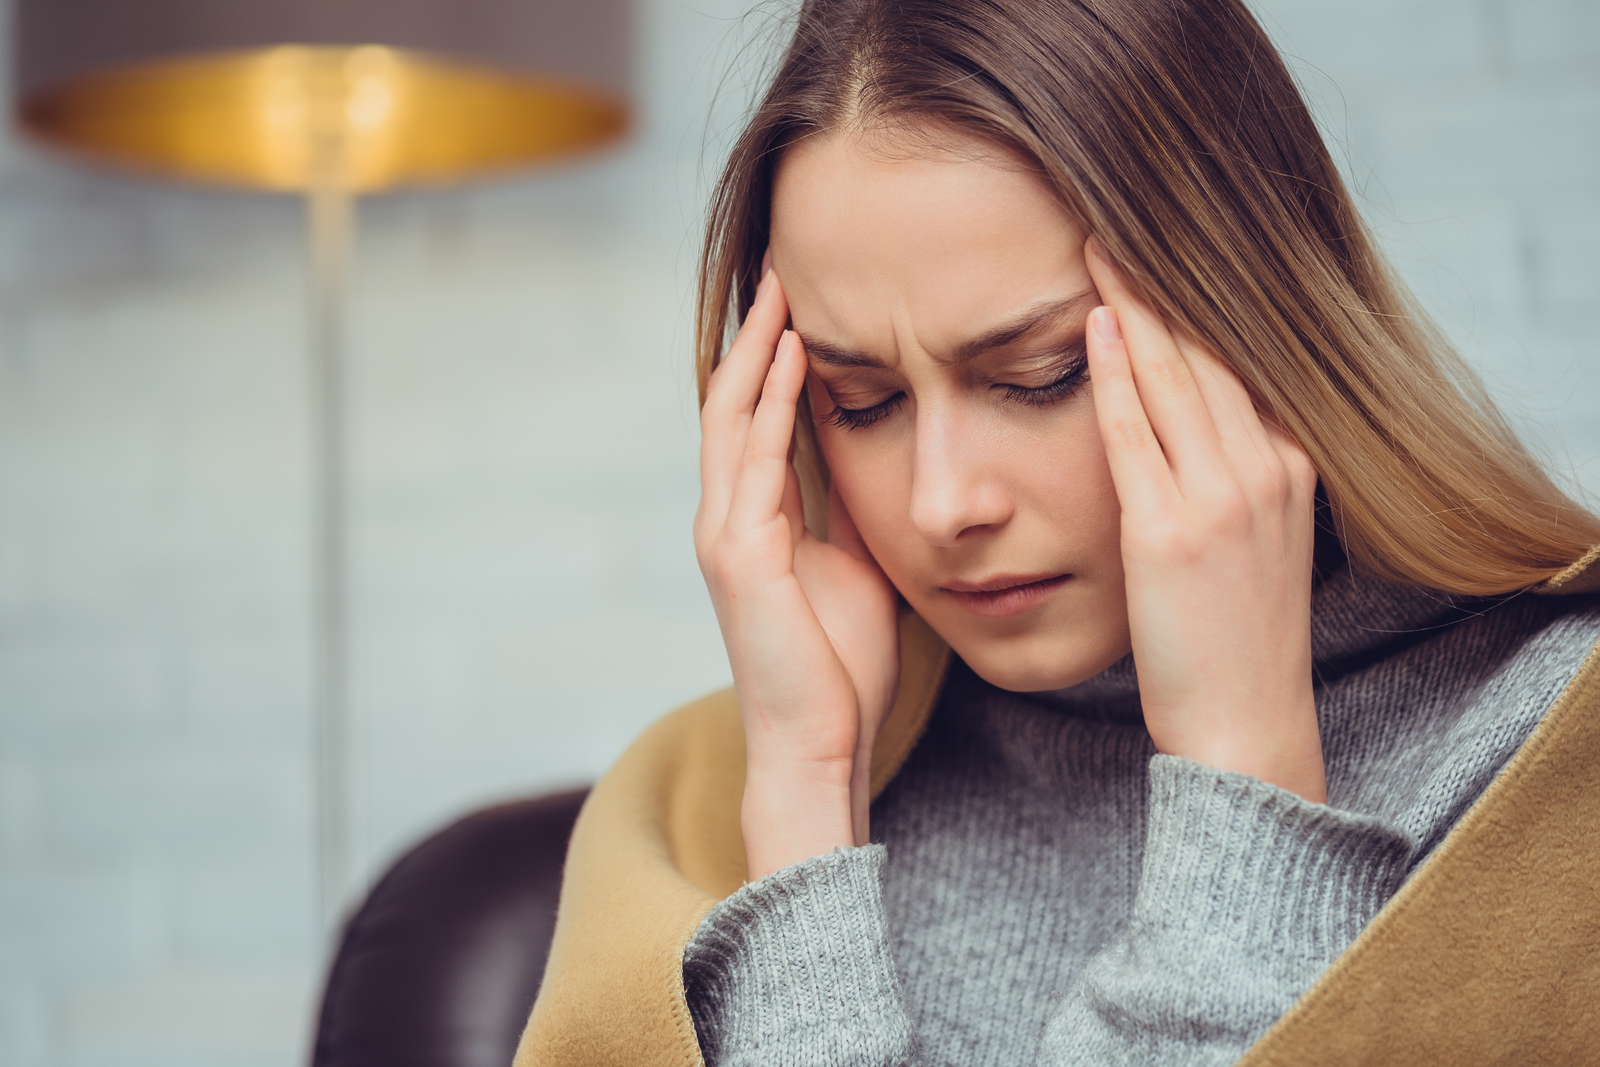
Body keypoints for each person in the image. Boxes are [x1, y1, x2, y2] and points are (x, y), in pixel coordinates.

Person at [514, 0, 1600, 1064]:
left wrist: (1241, 772)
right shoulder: (698, 800)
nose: (944, 503)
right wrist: (805, 802)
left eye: (1041, 375)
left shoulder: (1549, 756)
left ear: (1255, 319)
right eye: (862, 399)